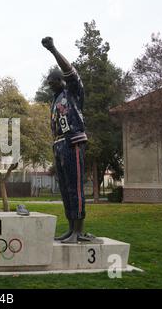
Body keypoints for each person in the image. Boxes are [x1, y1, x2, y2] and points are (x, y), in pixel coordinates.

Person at [41, 37, 93, 244]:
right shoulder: (55, 99)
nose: (50, 86)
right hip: (59, 145)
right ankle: (71, 228)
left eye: (53, 82)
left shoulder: (72, 92)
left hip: (73, 142)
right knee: (64, 189)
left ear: (61, 81)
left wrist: (53, 50)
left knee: (75, 187)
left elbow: (71, 72)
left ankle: (79, 230)